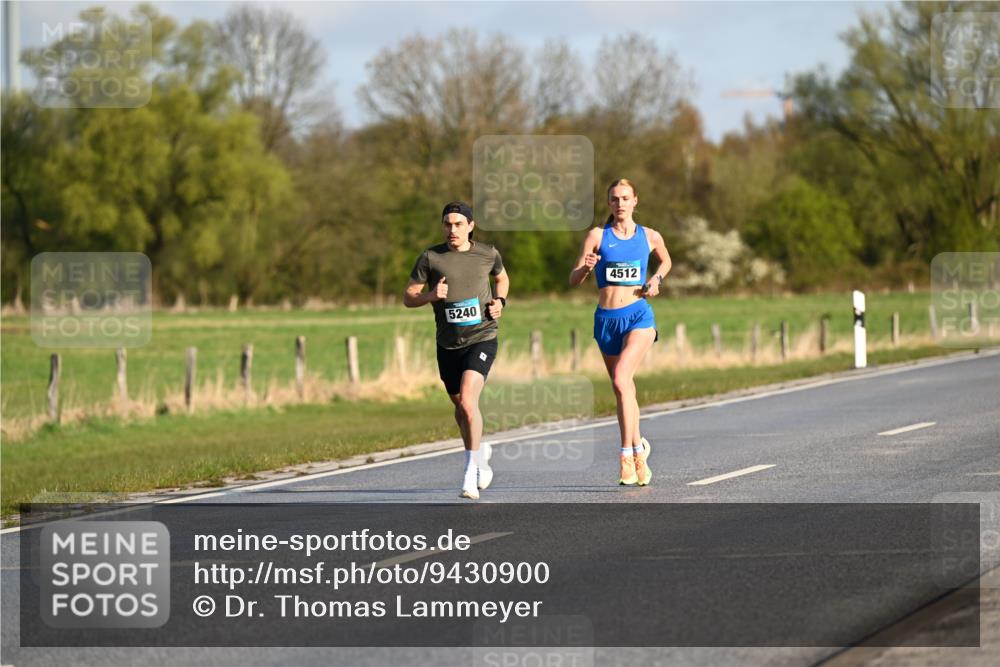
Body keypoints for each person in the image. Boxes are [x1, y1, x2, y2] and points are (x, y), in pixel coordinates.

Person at [568, 179, 671, 486]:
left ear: (635, 201)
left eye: (625, 198)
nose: (620, 203)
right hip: (606, 320)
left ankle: (627, 455)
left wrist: (656, 281)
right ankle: (640, 448)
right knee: (623, 389)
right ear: (609, 203)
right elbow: (574, 279)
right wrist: (586, 268)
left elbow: (665, 261)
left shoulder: (649, 236)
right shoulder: (597, 236)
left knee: (620, 378)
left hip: (638, 315)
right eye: (615, 199)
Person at [404, 202, 510, 500]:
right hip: (448, 344)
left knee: (467, 401)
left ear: (471, 226)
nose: (452, 230)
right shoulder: (431, 257)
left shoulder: (487, 253)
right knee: (462, 410)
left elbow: (501, 277)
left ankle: (470, 471)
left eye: (458, 224)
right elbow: (408, 297)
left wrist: (500, 301)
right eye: (448, 224)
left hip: (482, 336)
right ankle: (480, 457)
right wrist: (429, 295)